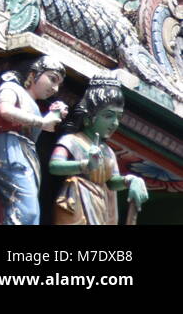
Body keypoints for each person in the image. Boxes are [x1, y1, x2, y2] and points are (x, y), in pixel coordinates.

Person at [50, 76, 148, 225]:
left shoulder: (108, 151)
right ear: (88, 118)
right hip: (76, 201)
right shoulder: (71, 141)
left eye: (118, 117)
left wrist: (131, 180)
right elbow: (54, 166)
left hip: (101, 204)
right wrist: (84, 165)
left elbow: (112, 182)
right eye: (108, 116)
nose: (114, 123)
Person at [0, 56, 67, 225]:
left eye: (58, 84)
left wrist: (53, 115)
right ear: (33, 74)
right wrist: (42, 121)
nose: (55, 88)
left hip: (27, 152)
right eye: (52, 79)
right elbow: (5, 110)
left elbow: (42, 126)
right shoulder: (11, 87)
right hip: (11, 147)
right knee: (26, 210)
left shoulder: (35, 106)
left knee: (31, 214)